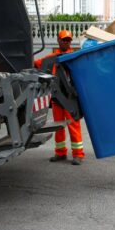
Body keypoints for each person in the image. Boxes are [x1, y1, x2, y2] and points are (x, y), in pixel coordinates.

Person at [34, 30, 85, 165]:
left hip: (70, 98)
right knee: (58, 127)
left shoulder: (74, 57)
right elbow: (36, 63)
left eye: (68, 40)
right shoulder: (52, 58)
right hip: (57, 99)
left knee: (74, 126)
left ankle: (78, 154)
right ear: (58, 40)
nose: (66, 42)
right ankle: (60, 152)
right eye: (64, 39)